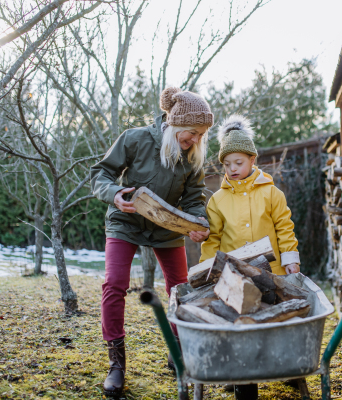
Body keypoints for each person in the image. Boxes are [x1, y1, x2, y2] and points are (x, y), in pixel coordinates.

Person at [90, 87, 212, 396]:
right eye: (192, 132)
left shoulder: (191, 157)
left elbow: (194, 199)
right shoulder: (135, 139)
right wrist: (114, 194)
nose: (195, 139)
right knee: (115, 283)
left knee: (180, 289)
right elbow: (100, 175)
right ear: (174, 124)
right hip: (126, 221)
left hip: (166, 227)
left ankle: (179, 351)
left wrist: (199, 222)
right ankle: (116, 364)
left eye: (201, 134)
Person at [200, 114, 301, 274]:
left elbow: (284, 227)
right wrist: (206, 269)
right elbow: (212, 239)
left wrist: (290, 259)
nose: (232, 168)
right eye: (227, 164)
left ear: (252, 160)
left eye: (238, 163)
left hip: (272, 271)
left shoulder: (272, 193)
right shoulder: (217, 201)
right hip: (233, 273)